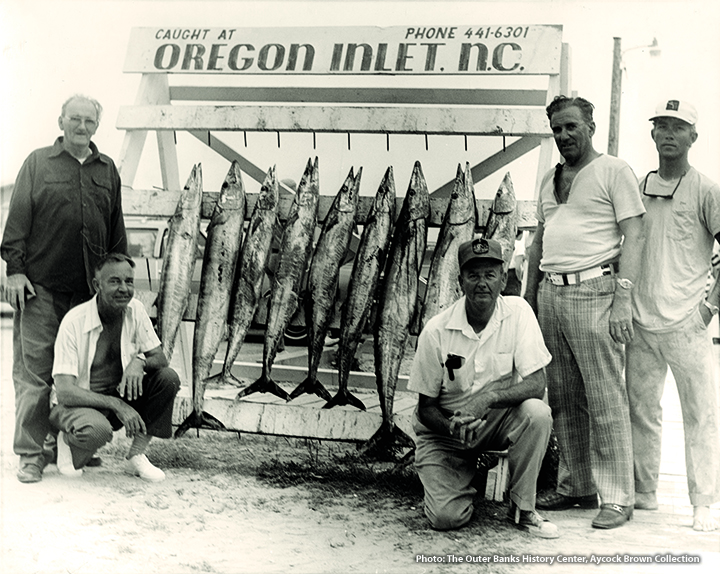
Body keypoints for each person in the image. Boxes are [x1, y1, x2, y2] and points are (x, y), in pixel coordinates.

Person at [524, 95, 646, 529]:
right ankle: (576, 485)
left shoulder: (614, 170)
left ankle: (617, 496)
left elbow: (636, 233)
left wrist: (623, 298)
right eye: (556, 128)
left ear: (590, 127)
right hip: (551, 293)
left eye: (571, 126)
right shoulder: (548, 179)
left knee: (605, 395)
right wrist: (528, 298)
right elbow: (540, 239)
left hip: (596, 288)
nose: (563, 136)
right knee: (563, 396)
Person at [1, 95, 127, 483]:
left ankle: (73, 445)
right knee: (35, 376)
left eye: (90, 121)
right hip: (41, 290)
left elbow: (117, 235)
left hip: (89, 297)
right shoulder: (38, 163)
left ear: (96, 127)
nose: (82, 127)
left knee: (84, 377)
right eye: (75, 119)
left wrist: (117, 286)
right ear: (61, 121)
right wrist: (15, 272)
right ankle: (32, 454)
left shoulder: (108, 171)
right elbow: (17, 223)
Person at [409, 237, 558, 538]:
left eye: (490, 275)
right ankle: (466, 475)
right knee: (446, 518)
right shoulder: (436, 330)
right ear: (460, 281)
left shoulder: (518, 312)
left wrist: (489, 399)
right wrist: (453, 427)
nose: (482, 283)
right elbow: (425, 409)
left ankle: (523, 508)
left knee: (537, 413)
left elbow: (537, 383)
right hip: (447, 432)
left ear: (504, 279)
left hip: (496, 419)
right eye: (473, 275)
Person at [627, 100, 720, 532]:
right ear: (652, 134)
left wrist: (710, 307)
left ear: (693, 137)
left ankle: (702, 501)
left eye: (678, 127)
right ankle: (643, 492)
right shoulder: (637, 186)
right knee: (642, 410)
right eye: (661, 125)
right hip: (642, 321)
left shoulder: (706, 189)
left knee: (701, 413)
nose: (668, 134)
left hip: (688, 321)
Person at [50, 253, 179, 481]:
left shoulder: (135, 310)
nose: (124, 288)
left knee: (167, 378)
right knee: (95, 435)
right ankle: (66, 441)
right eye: (114, 281)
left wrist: (139, 362)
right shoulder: (74, 322)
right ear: (96, 285)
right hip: (77, 405)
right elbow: (64, 391)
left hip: (118, 398)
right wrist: (116, 404)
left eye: (129, 281)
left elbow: (160, 359)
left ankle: (136, 457)